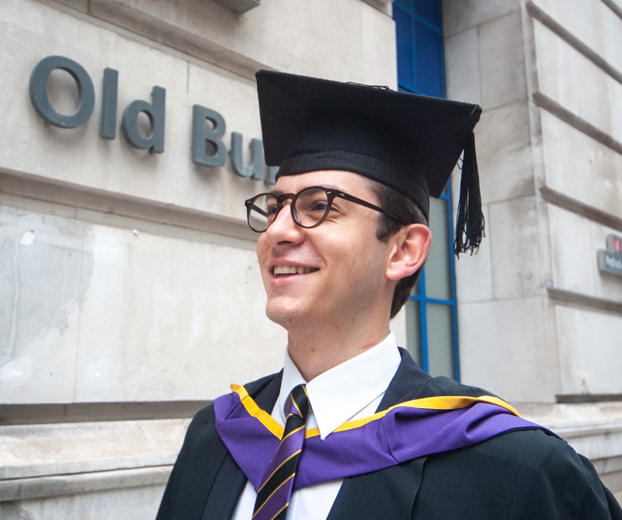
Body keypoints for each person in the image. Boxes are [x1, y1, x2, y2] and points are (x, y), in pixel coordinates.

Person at [156, 70, 622, 519]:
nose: (276, 231)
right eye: (275, 206)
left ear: (403, 250)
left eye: (319, 206)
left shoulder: (514, 469)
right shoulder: (214, 439)